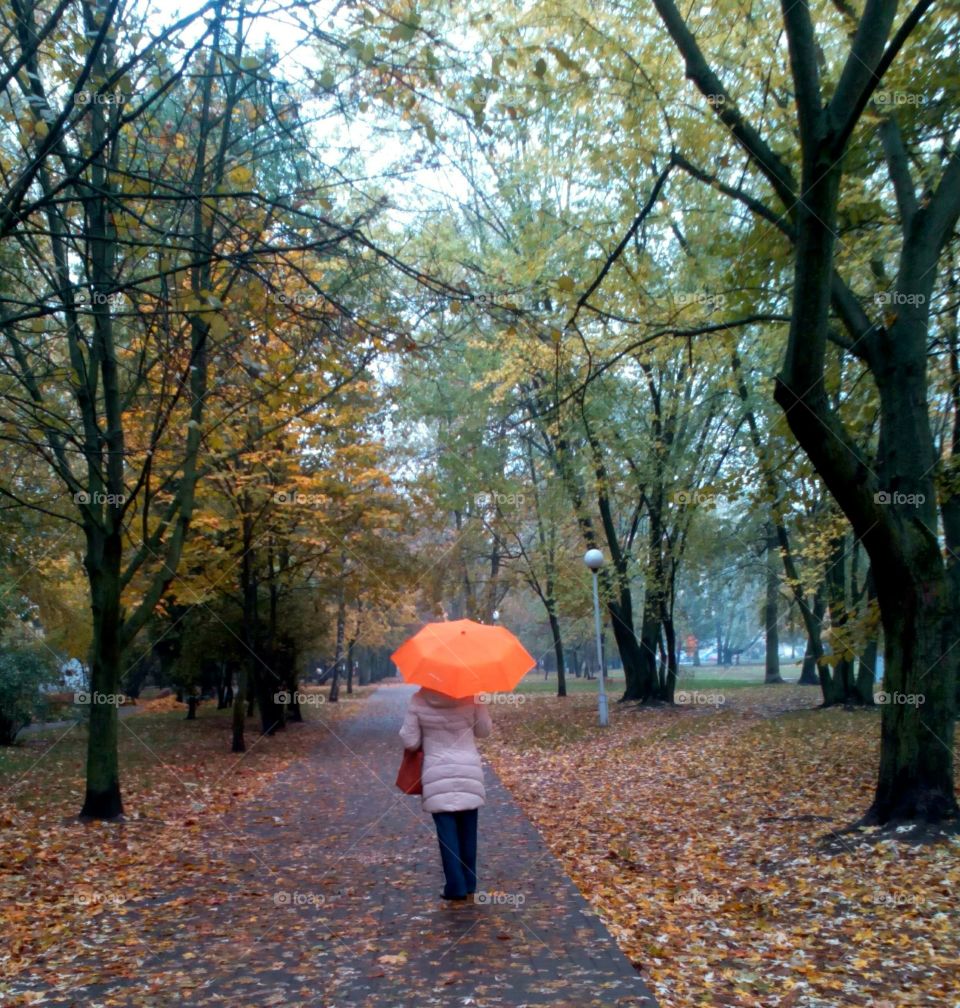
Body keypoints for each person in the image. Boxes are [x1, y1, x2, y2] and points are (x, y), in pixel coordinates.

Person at [399, 684, 493, 901]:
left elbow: (411, 742)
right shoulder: (472, 694)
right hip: (468, 770)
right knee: (469, 829)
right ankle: (469, 882)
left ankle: (455, 885)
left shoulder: (419, 699)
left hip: (436, 772)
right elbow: (484, 731)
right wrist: (480, 703)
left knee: (447, 832)